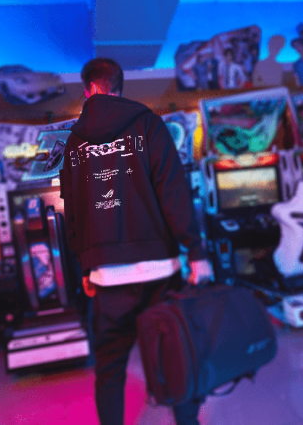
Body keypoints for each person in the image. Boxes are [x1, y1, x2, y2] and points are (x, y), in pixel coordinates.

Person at [60, 57, 213, 425]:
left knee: (110, 370)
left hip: (108, 278)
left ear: (88, 89)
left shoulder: (74, 143)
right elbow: (173, 193)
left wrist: (85, 266)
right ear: (120, 87)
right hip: (160, 270)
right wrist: (195, 251)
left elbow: (73, 211)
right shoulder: (148, 124)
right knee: (176, 356)